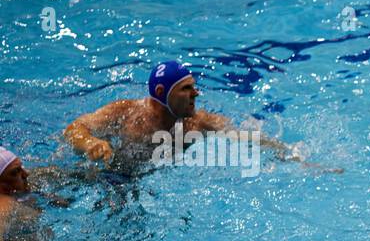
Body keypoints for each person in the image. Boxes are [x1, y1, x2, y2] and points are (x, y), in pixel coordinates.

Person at [63, 60, 304, 172]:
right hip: (110, 173)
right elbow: (75, 128)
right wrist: (90, 143)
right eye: (186, 88)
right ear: (161, 92)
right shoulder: (126, 112)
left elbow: (248, 137)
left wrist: (292, 156)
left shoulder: (197, 123)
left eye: (194, 86)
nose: (196, 93)